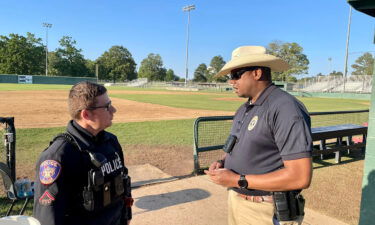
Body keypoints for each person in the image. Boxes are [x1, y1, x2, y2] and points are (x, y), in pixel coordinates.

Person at [204, 46, 313, 225]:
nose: (231, 81)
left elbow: (300, 176)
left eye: (236, 74)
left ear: (256, 73)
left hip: (265, 210)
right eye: (230, 76)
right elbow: (240, 146)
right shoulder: (244, 108)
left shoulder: (284, 107)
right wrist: (223, 162)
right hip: (238, 201)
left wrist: (237, 179)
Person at [33, 81, 133, 225]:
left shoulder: (111, 141)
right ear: (86, 114)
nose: (113, 110)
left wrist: (126, 215)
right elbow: (49, 217)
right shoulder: (58, 157)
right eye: (107, 106)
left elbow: (123, 183)